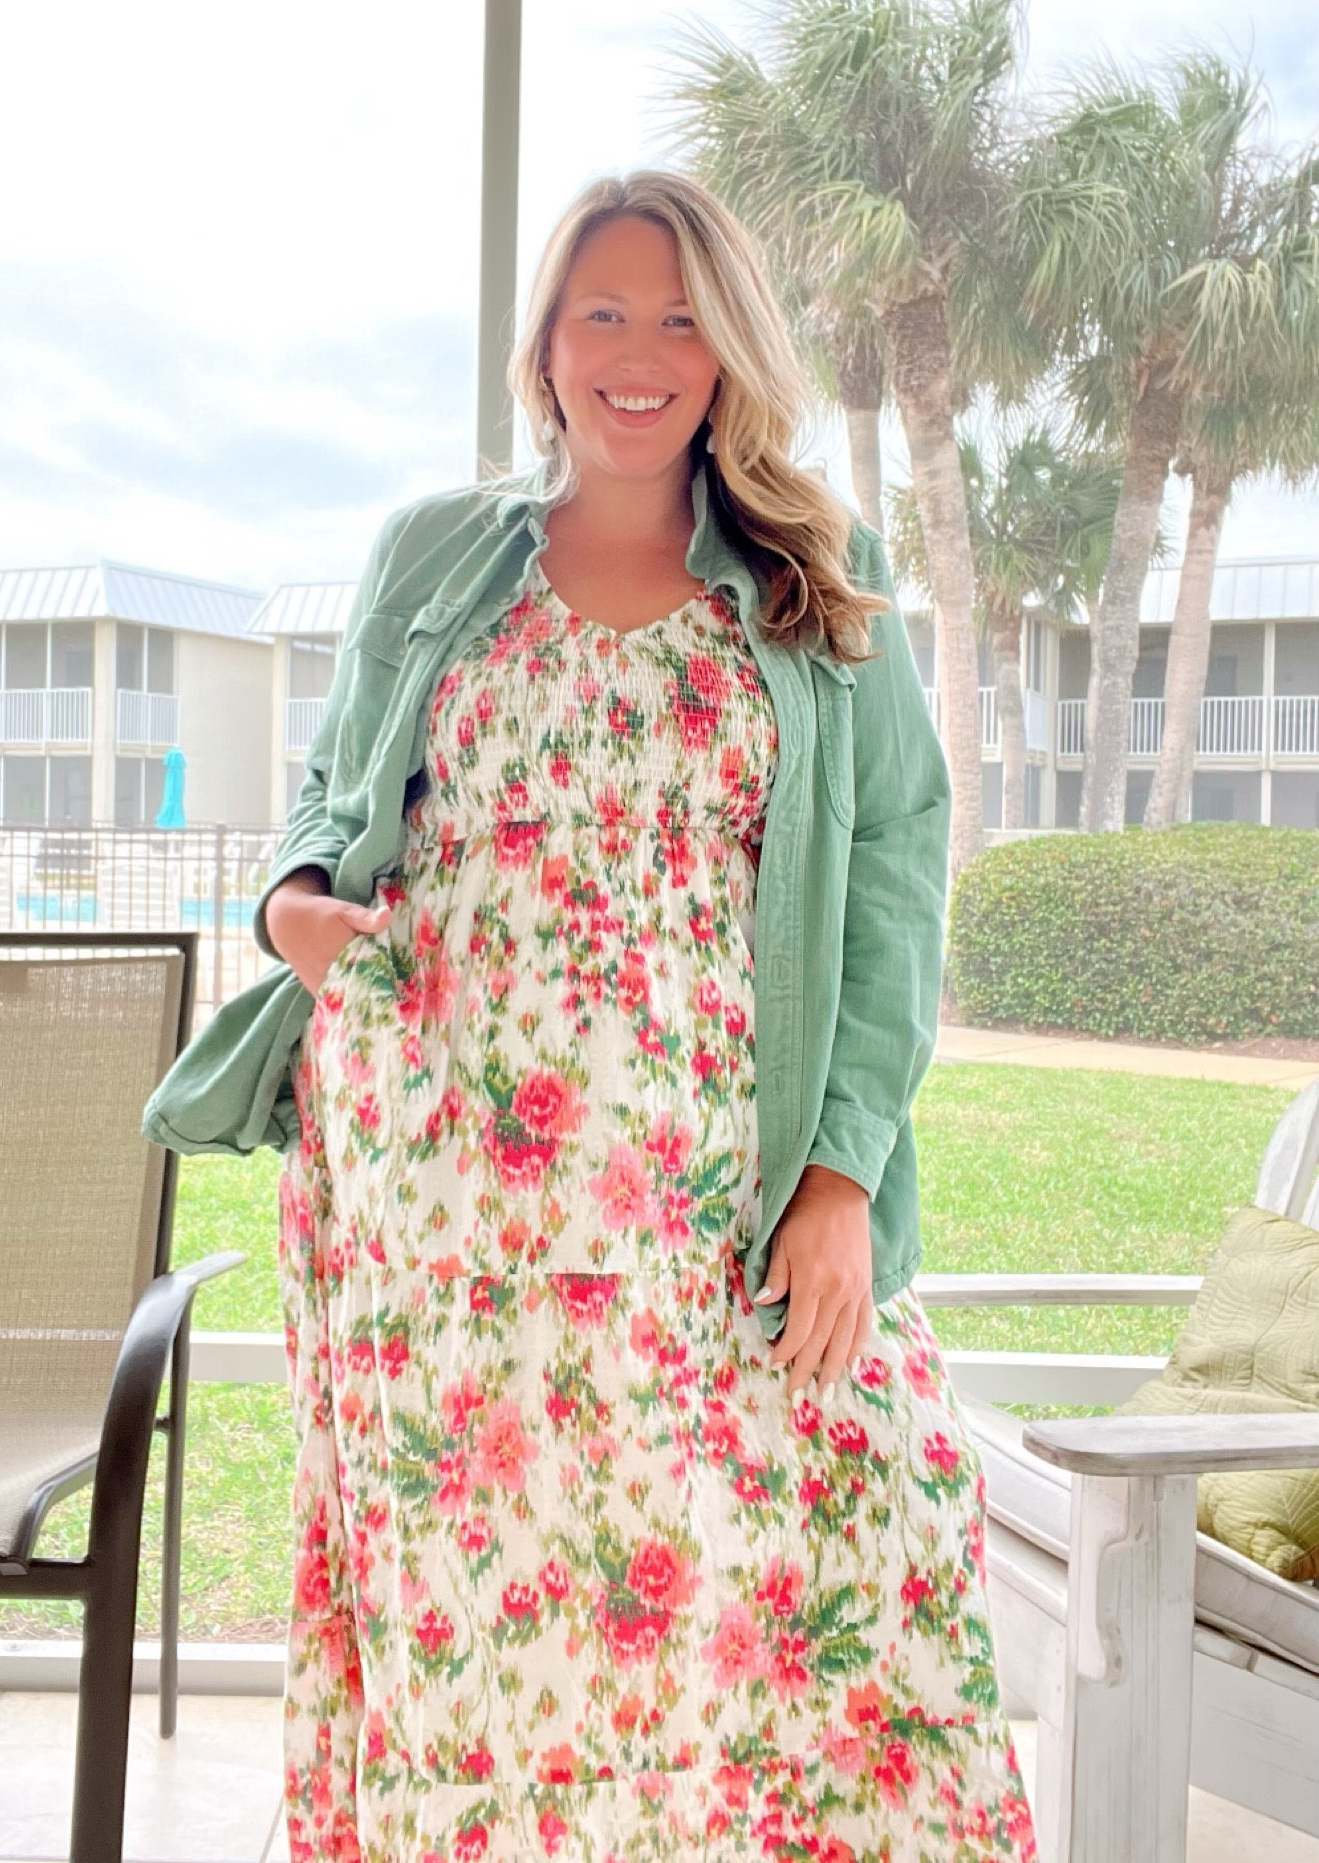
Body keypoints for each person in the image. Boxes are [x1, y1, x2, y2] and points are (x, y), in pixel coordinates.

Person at [261, 173, 1035, 1861]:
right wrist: (292, 909)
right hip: (433, 1195)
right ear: (544, 346)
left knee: (827, 1553)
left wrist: (841, 1171)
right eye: (601, 311)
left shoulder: (815, 573)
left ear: (731, 347)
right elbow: (325, 805)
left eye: (681, 315)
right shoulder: (431, 555)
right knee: (483, 1631)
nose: (639, 351)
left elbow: (899, 864)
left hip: (710, 1199)